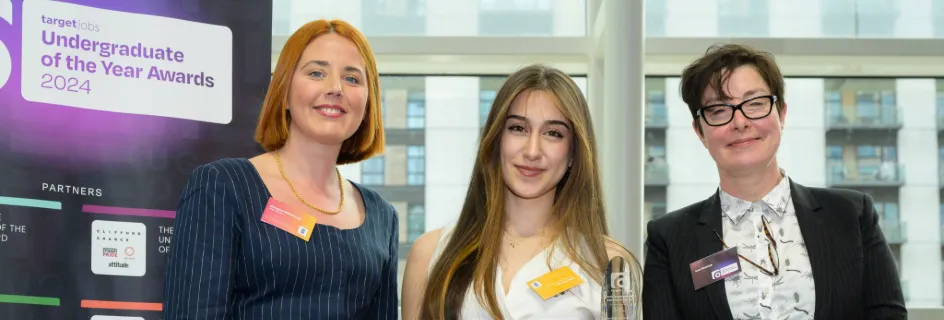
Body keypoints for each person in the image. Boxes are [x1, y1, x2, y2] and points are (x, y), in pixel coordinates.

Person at [641, 44, 907, 320]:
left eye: (755, 103)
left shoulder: (851, 215)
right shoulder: (669, 238)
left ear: (781, 113)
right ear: (700, 131)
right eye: (719, 110)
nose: (740, 121)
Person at [162, 19, 398, 319]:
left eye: (352, 79)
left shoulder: (381, 216)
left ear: (368, 103)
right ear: (284, 92)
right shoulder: (223, 186)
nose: (336, 88)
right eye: (316, 73)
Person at [400, 64, 643, 320]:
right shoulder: (431, 254)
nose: (532, 151)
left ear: (573, 154)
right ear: (495, 139)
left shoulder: (610, 265)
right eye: (518, 128)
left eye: (553, 133)